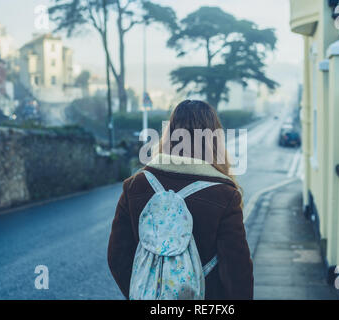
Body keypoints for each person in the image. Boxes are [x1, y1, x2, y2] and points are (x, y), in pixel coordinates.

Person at [107, 100, 253, 300]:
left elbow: (117, 256)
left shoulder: (136, 185)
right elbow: (237, 272)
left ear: (170, 134)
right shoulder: (225, 194)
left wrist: (146, 292)